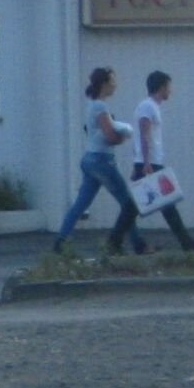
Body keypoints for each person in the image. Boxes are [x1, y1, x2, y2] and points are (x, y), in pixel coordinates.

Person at [52, 67, 142, 257]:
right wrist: (124, 136)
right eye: (113, 81)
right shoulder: (101, 107)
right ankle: (133, 244)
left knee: (81, 204)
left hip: (89, 159)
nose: (115, 85)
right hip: (102, 159)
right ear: (104, 84)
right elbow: (110, 135)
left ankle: (61, 242)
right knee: (128, 204)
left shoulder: (92, 105)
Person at [132, 71, 194, 252]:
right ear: (161, 87)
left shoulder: (151, 107)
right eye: (168, 87)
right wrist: (146, 162)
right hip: (150, 164)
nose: (170, 91)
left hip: (147, 162)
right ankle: (187, 243)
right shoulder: (147, 107)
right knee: (164, 204)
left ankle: (114, 241)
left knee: (134, 206)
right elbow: (144, 134)